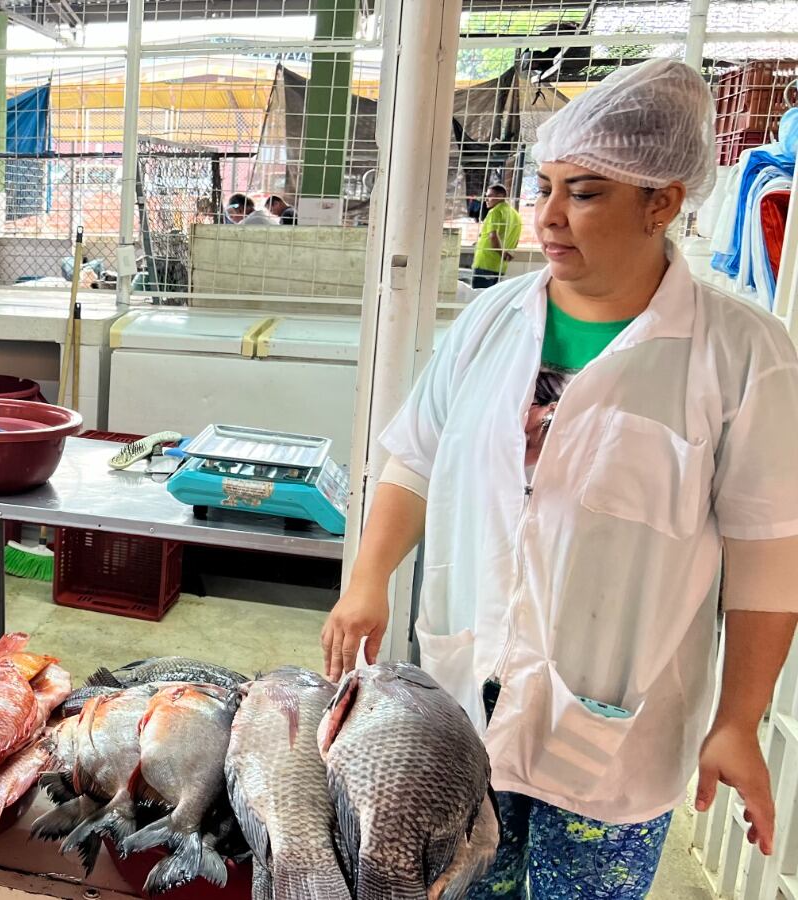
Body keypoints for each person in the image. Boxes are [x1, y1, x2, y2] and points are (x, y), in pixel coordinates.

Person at [322, 58, 798, 898]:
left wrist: (738, 719)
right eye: (543, 186)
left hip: (620, 730)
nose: (545, 217)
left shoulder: (742, 355)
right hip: (469, 697)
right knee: (462, 883)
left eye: (584, 192)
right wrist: (368, 580)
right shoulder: (491, 321)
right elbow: (416, 455)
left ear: (663, 202)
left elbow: (766, 555)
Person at [472, 182, 522, 288]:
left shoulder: (495, 212)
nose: (486, 199)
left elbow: (493, 236)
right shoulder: (515, 214)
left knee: (480, 299)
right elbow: (515, 239)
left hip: (485, 263)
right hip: (500, 266)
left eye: (489, 196)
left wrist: (502, 253)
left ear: (500, 196)